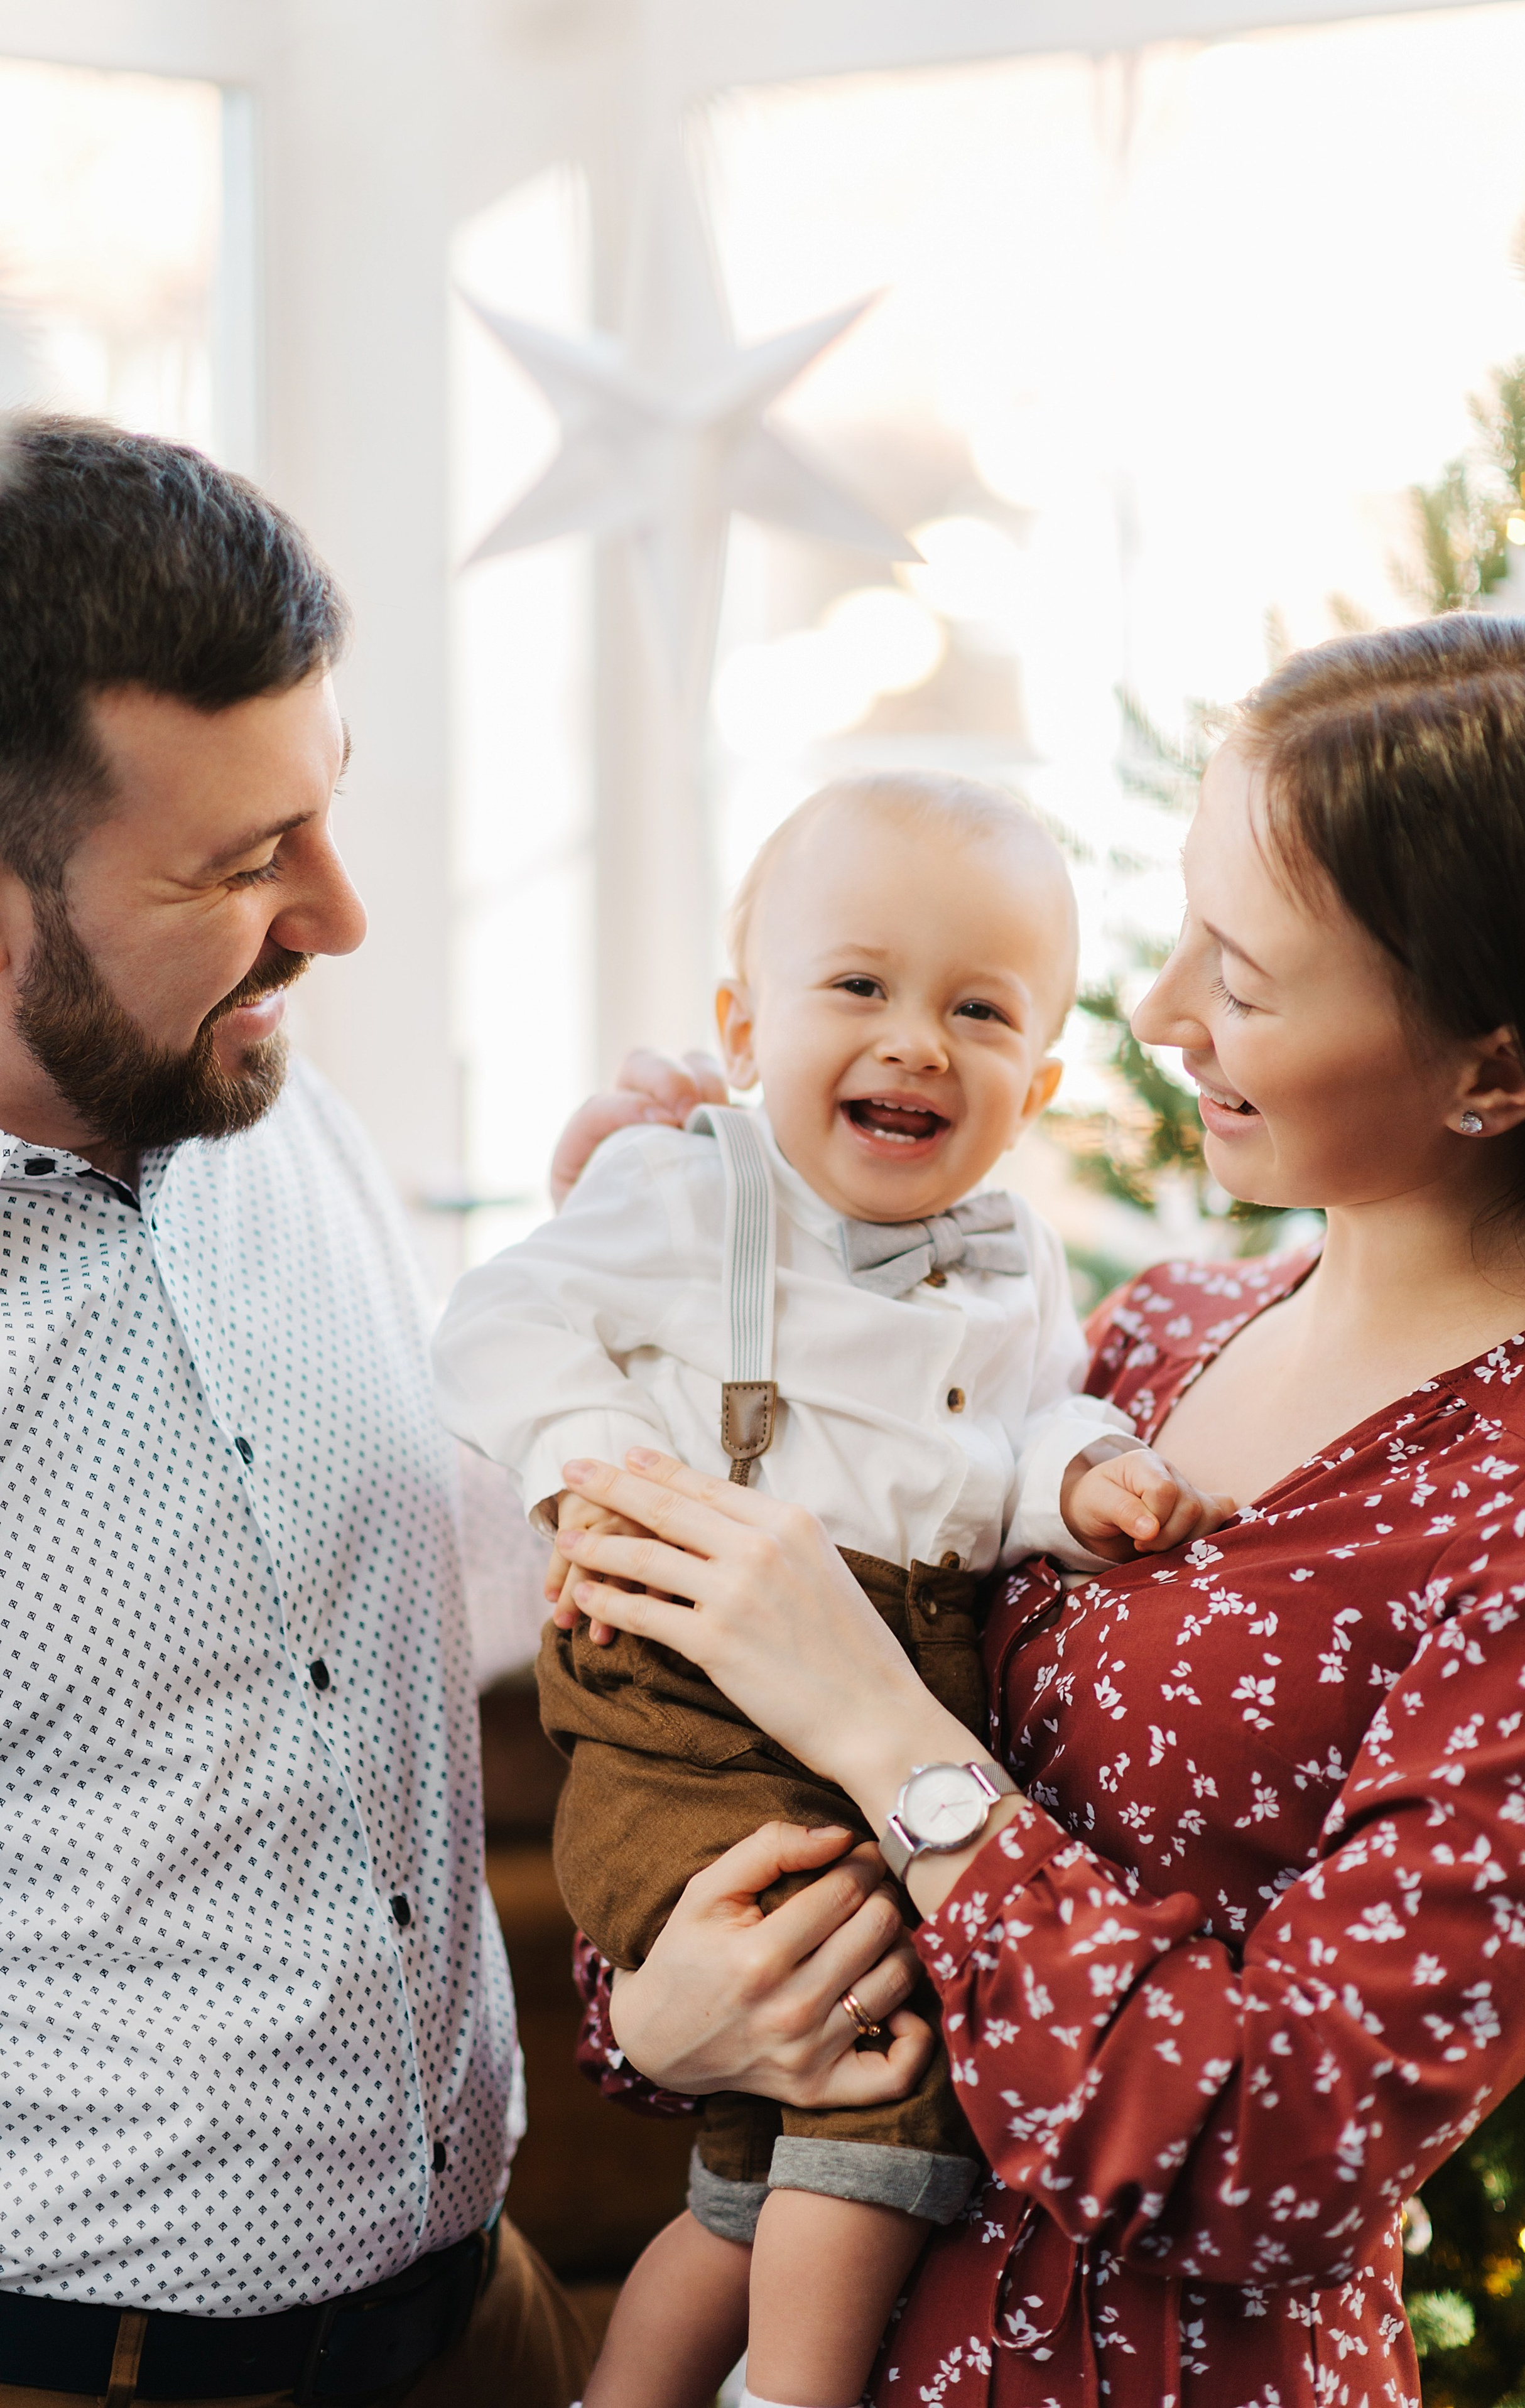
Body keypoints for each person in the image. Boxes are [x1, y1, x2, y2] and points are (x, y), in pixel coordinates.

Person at [546, 612, 1525, 2405]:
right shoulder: (1158, 1331)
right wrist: (661, 2016)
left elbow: (1285, 2150)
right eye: (1186, 929)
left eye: (1249, 981)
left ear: (1491, 1073)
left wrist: (891, 1736)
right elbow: (717, 1771)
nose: (1164, 1009)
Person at [0, 415, 884, 2408]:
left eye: (323, 810)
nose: (341, 910)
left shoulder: (271, 1103)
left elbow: (398, 1583)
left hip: (474, 2320)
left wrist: (613, 1295)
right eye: (242, 862)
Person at [433, 775, 1231, 2408]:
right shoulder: (687, 1190)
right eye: (858, 986)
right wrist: (589, 1463)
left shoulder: (1014, 1254)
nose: (917, 1038)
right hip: (681, 1690)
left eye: (980, 1007)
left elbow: (1010, 1440)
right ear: (743, 1022)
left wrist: (1083, 1479)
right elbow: (499, 1326)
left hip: (892, 1668)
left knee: (748, 2173)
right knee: (882, 2073)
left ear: (1045, 1079)